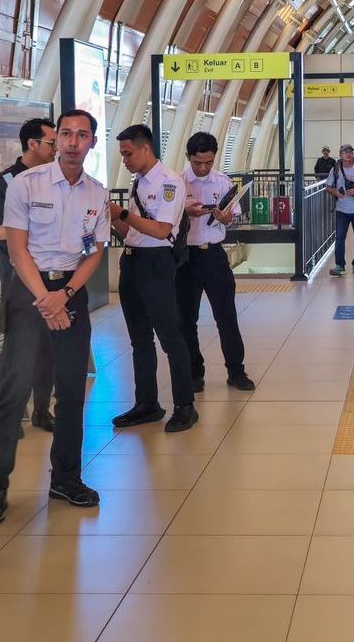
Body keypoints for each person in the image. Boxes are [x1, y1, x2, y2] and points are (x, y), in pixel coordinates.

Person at [0, 108, 110, 519]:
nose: (73, 142)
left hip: (70, 291)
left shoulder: (97, 192)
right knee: (13, 393)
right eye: (66, 134)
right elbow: (17, 249)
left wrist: (66, 294)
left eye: (82, 135)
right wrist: (45, 298)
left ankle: (66, 479)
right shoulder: (26, 183)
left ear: (92, 142)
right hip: (29, 291)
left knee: (71, 391)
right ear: (57, 142)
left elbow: (95, 251)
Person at [108, 124, 200, 432]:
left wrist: (121, 214)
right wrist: (109, 218)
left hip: (156, 264)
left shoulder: (169, 182)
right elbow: (132, 231)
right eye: (122, 155)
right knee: (139, 339)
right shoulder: (138, 182)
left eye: (128, 153)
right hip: (132, 262)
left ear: (145, 148)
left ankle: (185, 406)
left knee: (170, 337)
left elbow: (161, 230)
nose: (125, 160)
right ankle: (147, 403)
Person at [0, 118, 58, 433]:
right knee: (18, 351)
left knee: (48, 348)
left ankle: (42, 410)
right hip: (18, 281)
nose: (58, 148)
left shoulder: (58, 179)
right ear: (33, 144)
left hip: (55, 278)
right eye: (52, 142)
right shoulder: (2, 184)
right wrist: (27, 233)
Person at [176, 132, 255, 392]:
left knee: (226, 316)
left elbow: (234, 215)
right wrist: (185, 212)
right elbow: (165, 219)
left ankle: (236, 370)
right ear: (189, 158)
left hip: (214, 255)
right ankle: (194, 372)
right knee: (187, 318)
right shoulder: (176, 182)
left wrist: (225, 218)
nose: (203, 167)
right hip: (186, 258)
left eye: (208, 162)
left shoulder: (222, 182)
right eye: (198, 162)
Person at [327, 144, 354, 277]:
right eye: (345, 152)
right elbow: (328, 187)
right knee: (339, 238)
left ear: (353, 153)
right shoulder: (336, 169)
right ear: (341, 154)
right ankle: (340, 266)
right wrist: (335, 192)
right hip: (342, 209)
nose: (348, 154)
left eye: (350, 152)